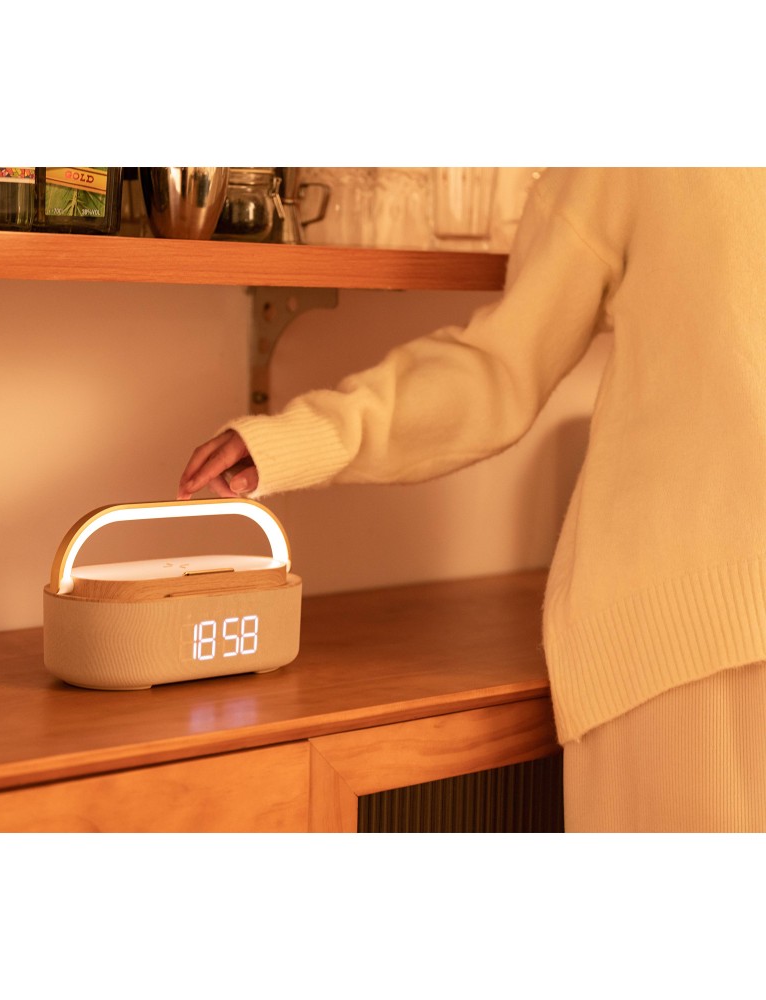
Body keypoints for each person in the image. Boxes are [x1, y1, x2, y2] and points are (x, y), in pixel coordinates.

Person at [178, 167, 766, 833]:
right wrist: (302, 439)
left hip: (686, 635)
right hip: (691, 651)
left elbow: (498, 368)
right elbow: (500, 369)